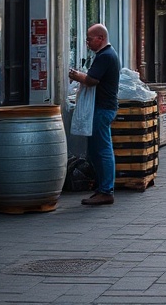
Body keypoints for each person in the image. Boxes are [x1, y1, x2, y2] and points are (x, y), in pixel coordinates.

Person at [68, 23, 121, 206]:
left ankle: (106, 191)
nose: (87, 43)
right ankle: (101, 188)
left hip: (103, 109)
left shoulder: (105, 56)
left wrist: (76, 76)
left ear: (100, 38)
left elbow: (92, 80)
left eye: (89, 39)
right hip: (102, 108)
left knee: (103, 150)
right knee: (95, 150)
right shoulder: (105, 55)